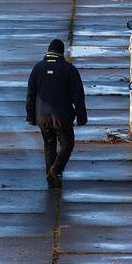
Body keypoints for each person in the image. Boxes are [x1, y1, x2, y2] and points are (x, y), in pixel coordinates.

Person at [25, 38, 87, 189]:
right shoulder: (69, 69)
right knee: (67, 144)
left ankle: (51, 178)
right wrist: (81, 117)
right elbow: (78, 95)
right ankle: (56, 170)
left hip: (42, 116)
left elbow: (30, 95)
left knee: (49, 145)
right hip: (62, 117)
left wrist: (31, 116)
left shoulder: (37, 68)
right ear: (61, 52)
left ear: (48, 51)